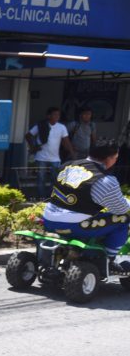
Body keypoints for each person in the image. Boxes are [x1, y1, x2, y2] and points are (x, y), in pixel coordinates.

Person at [42, 143, 130, 273]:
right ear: (109, 159)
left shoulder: (67, 166)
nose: (116, 161)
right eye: (116, 158)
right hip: (75, 226)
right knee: (123, 219)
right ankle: (110, 259)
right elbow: (120, 209)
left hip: (48, 219)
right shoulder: (105, 180)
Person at [26, 107, 75, 199]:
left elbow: (66, 141)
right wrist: (33, 147)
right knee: (41, 179)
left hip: (55, 158)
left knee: (55, 179)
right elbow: (28, 135)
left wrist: (72, 153)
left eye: (58, 115)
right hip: (41, 157)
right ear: (49, 116)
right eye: (55, 114)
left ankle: (51, 197)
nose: (57, 116)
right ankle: (41, 197)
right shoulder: (40, 125)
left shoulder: (62, 127)